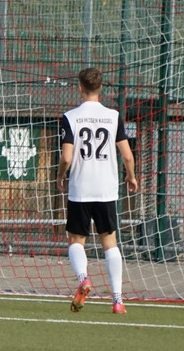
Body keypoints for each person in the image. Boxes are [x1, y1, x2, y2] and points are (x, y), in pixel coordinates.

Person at [56, 66, 138, 315]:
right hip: (106, 189)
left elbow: (67, 157)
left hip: (81, 188)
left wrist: (60, 175)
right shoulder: (113, 116)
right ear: (101, 87)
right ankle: (117, 300)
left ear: (80, 88)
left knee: (76, 240)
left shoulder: (70, 117)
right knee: (110, 242)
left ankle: (83, 279)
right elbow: (127, 155)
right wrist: (131, 176)